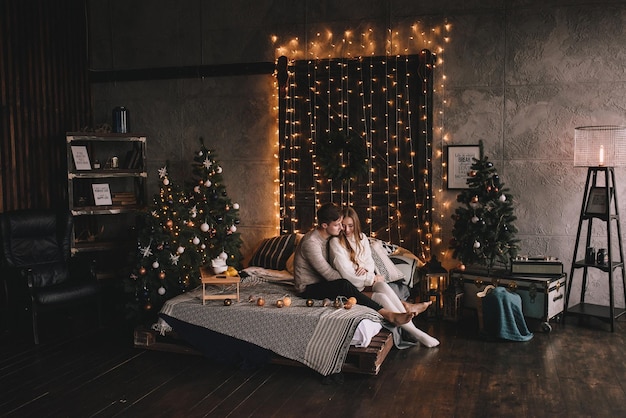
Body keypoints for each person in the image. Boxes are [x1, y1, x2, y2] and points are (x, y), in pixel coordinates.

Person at [328, 207, 440, 348]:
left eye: (350, 225)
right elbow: (347, 274)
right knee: (382, 298)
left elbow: (369, 263)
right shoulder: (335, 243)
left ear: (356, 224)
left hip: (364, 282)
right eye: (343, 226)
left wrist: (366, 272)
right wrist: (370, 277)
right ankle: (416, 332)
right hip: (352, 288)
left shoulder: (362, 238)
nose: (347, 230)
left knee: (382, 286)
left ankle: (409, 322)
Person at [294, 202, 414, 326]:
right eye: (337, 225)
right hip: (308, 288)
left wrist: (359, 274)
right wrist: (358, 279)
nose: (341, 228)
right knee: (344, 284)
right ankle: (387, 314)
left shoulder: (330, 236)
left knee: (374, 285)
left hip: (324, 283)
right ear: (324, 225)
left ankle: (403, 306)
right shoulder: (311, 243)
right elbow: (329, 274)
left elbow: (352, 259)